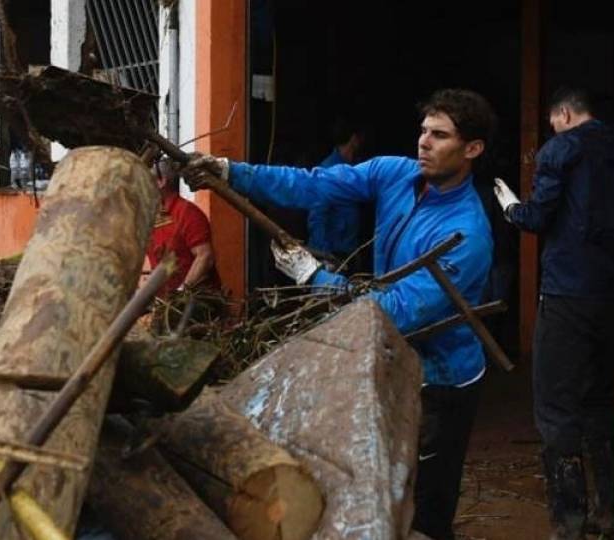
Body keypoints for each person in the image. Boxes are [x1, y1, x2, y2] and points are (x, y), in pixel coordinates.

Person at [187, 89, 497, 540]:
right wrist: (232, 172)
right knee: (382, 479)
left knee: (426, 503)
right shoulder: (396, 174)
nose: (424, 143)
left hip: (442, 379)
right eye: (424, 131)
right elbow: (315, 183)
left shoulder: (466, 233)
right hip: (389, 356)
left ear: (472, 149)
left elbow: (397, 312)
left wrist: (315, 277)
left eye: (440, 135)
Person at [492, 87, 614, 540]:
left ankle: (570, 523)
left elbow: (537, 218)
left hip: (569, 293)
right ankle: (608, 514)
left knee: (556, 405)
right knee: (600, 398)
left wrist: (510, 207)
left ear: (563, 114)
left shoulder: (561, 149)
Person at [146, 158, 220, 296]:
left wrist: (181, 295)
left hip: (196, 306)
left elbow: (205, 256)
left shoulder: (187, 213)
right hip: (167, 305)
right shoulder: (152, 218)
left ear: (161, 182)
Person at [307, 117, 367, 260]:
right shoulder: (327, 170)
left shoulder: (356, 168)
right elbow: (316, 217)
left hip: (349, 250)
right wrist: (323, 255)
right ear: (354, 139)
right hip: (333, 253)